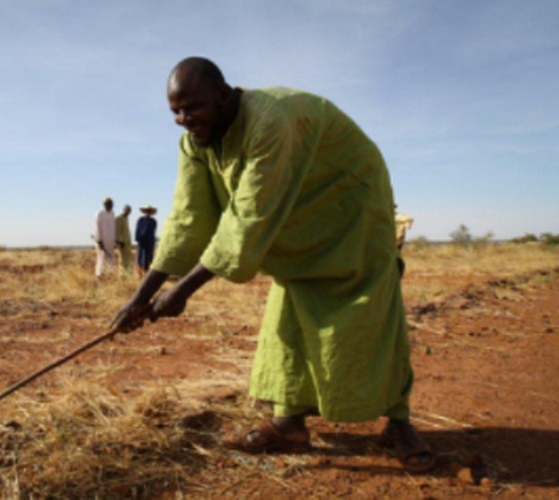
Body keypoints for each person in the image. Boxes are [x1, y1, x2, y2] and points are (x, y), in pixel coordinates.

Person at [111, 57, 435, 472]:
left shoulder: (269, 121)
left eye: (192, 107)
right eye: (175, 110)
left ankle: (398, 422)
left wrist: (181, 293)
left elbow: (246, 219)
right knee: (291, 308)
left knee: (370, 308)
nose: (183, 119)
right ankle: (290, 425)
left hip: (350, 203)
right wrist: (141, 295)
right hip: (295, 221)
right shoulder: (194, 142)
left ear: (224, 96)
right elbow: (188, 218)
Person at [94, 197, 117, 278]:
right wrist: (99, 240)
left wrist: (115, 239)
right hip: (102, 240)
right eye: (108, 204)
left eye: (111, 204)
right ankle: (99, 276)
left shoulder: (112, 213)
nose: (110, 206)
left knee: (110, 258)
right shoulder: (99, 213)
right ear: (105, 205)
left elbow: (114, 227)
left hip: (110, 240)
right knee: (101, 258)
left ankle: (110, 275)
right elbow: (97, 227)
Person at [134, 205, 158, 276]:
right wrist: (138, 239)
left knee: (148, 258)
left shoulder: (153, 221)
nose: (148, 213)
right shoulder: (140, 220)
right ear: (144, 212)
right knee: (140, 258)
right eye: (147, 211)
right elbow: (137, 230)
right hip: (142, 242)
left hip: (149, 242)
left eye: (149, 211)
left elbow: (152, 231)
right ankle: (139, 273)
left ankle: (146, 273)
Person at [115, 204, 134, 276]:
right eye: (127, 210)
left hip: (128, 242)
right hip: (122, 242)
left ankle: (128, 274)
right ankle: (122, 275)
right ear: (124, 210)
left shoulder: (126, 218)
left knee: (128, 259)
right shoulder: (118, 218)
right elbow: (117, 230)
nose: (128, 212)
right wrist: (119, 241)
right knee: (122, 260)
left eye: (129, 210)